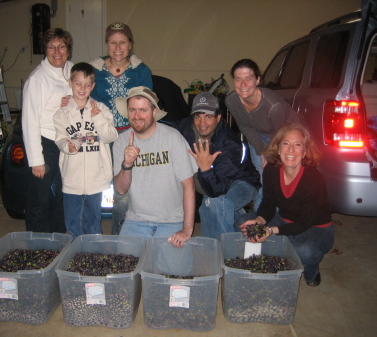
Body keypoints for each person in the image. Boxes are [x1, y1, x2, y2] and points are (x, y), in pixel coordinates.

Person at [239, 123, 334, 287]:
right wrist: (260, 221)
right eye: (286, 143)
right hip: (284, 220)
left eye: (297, 145)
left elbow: (304, 222)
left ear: (304, 152)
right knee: (243, 223)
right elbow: (268, 202)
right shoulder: (271, 170)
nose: (291, 150)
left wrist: (270, 230)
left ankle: (312, 268)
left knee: (305, 252)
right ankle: (274, 253)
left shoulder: (314, 179)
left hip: (315, 227)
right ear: (278, 148)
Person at [113, 86, 197, 248]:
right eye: (132, 110)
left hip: (172, 221)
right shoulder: (121, 142)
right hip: (135, 221)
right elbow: (120, 189)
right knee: (124, 270)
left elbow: (189, 186)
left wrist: (187, 229)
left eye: (143, 110)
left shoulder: (173, 138)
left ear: (154, 112)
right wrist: (127, 165)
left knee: (173, 273)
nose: (137, 116)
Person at [89, 22, 153, 235]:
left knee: (123, 193)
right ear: (106, 45)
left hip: (129, 136)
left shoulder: (141, 71)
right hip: (99, 136)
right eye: (112, 43)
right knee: (93, 188)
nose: (118, 47)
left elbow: (146, 107)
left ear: (130, 44)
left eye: (122, 42)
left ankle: (121, 238)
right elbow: (82, 97)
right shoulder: (94, 70)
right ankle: (90, 236)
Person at [174, 92, 261, 240]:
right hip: (211, 181)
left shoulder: (229, 144)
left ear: (218, 117)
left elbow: (216, 191)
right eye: (198, 116)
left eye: (208, 116)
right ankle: (236, 238)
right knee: (220, 210)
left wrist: (206, 168)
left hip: (243, 183)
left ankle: (217, 251)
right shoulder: (186, 127)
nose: (202, 123)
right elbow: (165, 129)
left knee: (214, 203)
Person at [53, 62, 118, 238]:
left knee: (93, 221)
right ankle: (76, 251)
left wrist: (98, 118)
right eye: (78, 83)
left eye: (87, 84)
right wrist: (68, 146)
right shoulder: (62, 113)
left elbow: (111, 136)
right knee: (72, 222)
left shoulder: (102, 109)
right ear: (70, 83)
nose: (82, 88)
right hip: (71, 179)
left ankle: (93, 250)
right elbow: (59, 139)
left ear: (93, 86)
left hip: (96, 179)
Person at [225, 58, 300, 209]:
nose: (243, 85)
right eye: (238, 79)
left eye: (248, 78)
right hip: (259, 136)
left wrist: (271, 154)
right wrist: (262, 151)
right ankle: (263, 219)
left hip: (287, 136)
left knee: (280, 177)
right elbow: (245, 127)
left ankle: (282, 217)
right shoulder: (231, 100)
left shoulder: (273, 106)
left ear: (258, 80)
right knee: (264, 177)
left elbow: (282, 135)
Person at [22, 28, 74, 233]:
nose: (57, 51)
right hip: (45, 143)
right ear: (45, 50)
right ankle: (38, 247)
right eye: (51, 47)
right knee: (39, 198)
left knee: (63, 195)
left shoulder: (72, 69)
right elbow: (29, 122)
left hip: (67, 143)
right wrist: (37, 160)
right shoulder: (38, 79)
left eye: (61, 46)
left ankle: (59, 240)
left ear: (68, 49)